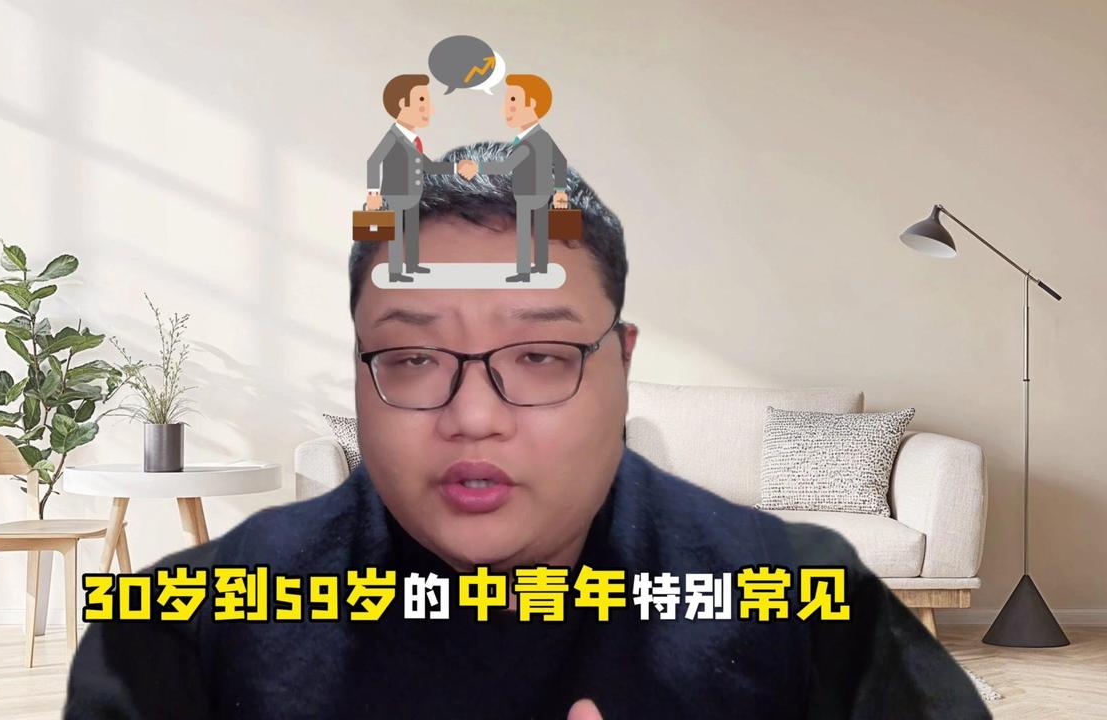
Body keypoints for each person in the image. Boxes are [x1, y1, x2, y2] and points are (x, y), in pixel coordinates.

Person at [65, 142, 990, 720]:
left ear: (621, 364)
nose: (474, 417)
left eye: (541, 356)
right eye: (414, 357)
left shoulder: (804, 600)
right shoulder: (176, 631)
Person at [365, 73, 472, 282]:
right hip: (396, 195)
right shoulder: (393, 138)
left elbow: (429, 166)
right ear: (402, 104)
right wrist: (373, 193)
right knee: (396, 235)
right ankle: (395, 272)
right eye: (421, 101)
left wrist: (457, 168)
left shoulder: (413, 141)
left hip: (414, 195)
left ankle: (412, 266)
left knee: (413, 232)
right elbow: (373, 162)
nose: (427, 109)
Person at [474, 74, 569, 283]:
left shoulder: (531, 140)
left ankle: (525, 271)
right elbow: (560, 161)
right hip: (538, 191)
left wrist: (476, 167)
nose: (507, 109)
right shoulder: (538, 137)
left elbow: (507, 166)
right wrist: (560, 190)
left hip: (529, 193)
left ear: (532, 104)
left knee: (526, 234)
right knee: (538, 232)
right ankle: (540, 268)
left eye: (513, 101)